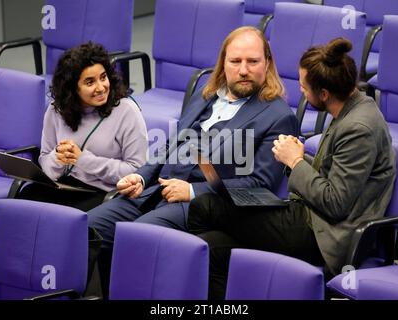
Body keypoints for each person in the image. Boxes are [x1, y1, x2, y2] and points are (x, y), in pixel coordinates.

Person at [87, 26, 299, 297]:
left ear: (267, 63)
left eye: (253, 61)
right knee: (89, 227)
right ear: (223, 63)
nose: (243, 70)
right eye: (235, 61)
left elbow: (258, 188)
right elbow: (171, 144)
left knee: (136, 238)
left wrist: (191, 191)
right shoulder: (206, 94)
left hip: (203, 205)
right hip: (156, 190)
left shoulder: (278, 116)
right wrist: (141, 176)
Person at [187, 37, 397, 299]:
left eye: (304, 87)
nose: (301, 93)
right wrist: (292, 161)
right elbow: (333, 173)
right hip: (307, 216)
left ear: (323, 94)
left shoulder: (359, 128)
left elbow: (336, 203)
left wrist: (295, 162)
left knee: (204, 207)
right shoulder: (349, 108)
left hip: (324, 234)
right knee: (212, 246)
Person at [18, 42, 148, 211]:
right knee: (24, 199)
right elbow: (45, 162)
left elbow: (137, 171)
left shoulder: (126, 111)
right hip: (66, 185)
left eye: (103, 77)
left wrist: (83, 160)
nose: (101, 88)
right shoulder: (55, 109)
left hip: (105, 192)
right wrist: (58, 157)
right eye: (90, 82)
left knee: (64, 219)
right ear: (73, 88)